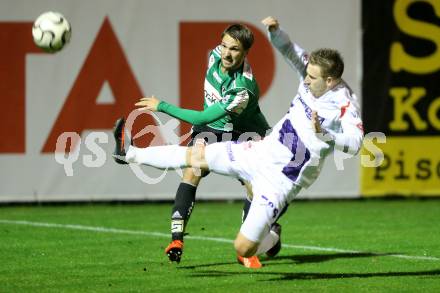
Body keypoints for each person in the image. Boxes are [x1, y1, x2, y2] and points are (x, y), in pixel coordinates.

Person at [113, 16, 363, 267]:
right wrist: (275, 31)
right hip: (261, 152)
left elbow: (356, 143)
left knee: (242, 247)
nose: (305, 79)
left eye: (311, 77)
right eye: (306, 74)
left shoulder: (344, 105)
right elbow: (290, 51)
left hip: (281, 180)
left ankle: (271, 238)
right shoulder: (310, 74)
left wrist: (325, 135)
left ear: (330, 81)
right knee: (197, 157)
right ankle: (129, 153)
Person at [115, 23, 277, 268]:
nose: (226, 53)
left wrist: (162, 106)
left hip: (245, 132)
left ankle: (255, 244)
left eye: (234, 49)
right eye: (224, 45)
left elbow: (202, 118)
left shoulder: (242, 88)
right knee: (192, 169)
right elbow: (206, 121)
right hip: (213, 128)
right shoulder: (215, 55)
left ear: (245, 53)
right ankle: (176, 240)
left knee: (255, 187)